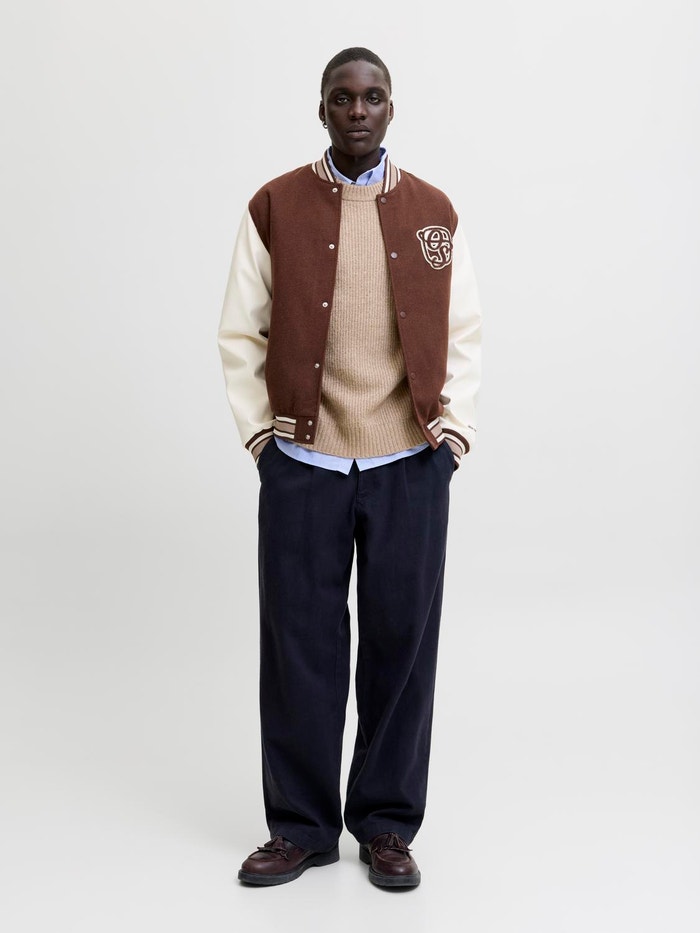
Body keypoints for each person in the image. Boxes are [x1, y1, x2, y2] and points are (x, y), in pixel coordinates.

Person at [217, 46, 482, 888]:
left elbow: (464, 329)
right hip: (304, 461)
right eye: (342, 97)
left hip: (409, 461)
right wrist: (264, 442)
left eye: (372, 97)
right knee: (300, 648)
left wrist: (450, 439)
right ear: (322, 109)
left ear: (391, 108)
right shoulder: (275, 205)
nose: (358, 110)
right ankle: (300, 826)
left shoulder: (434, 212)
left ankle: (387, 824)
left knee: (402, 646)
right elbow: (240, 331)